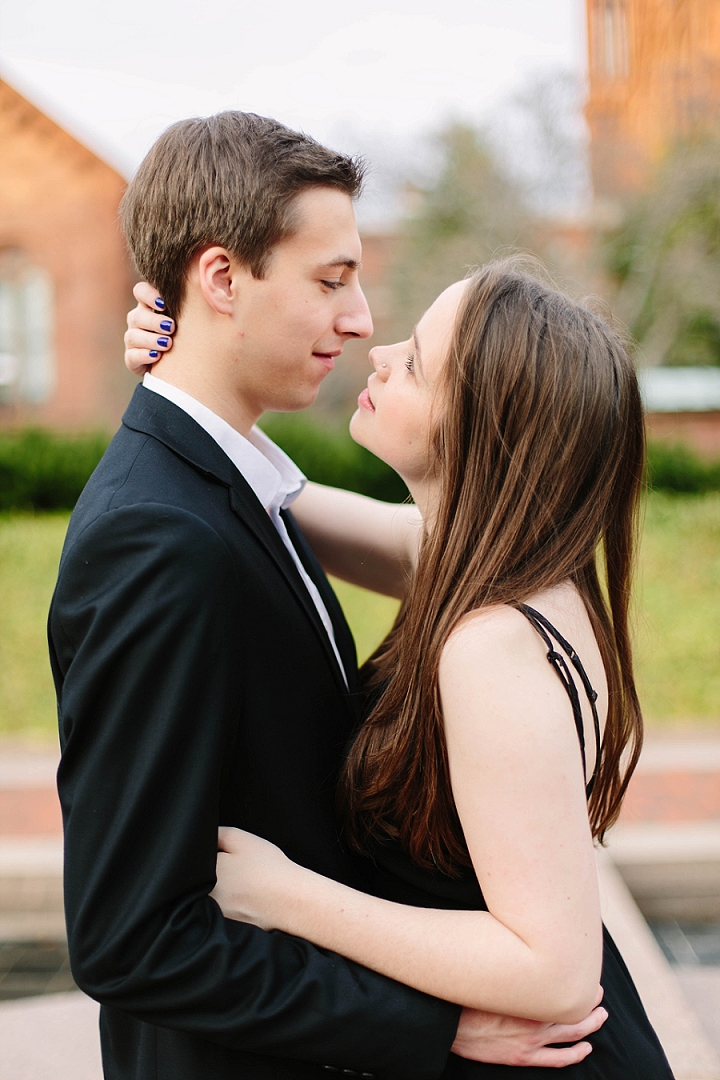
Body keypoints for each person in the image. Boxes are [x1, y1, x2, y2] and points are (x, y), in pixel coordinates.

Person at [50, 112, 603, 1080]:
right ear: (223, 279)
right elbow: (133, 938)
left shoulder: (474, 581)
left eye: (415, 356)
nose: (362, 328)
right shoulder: (162, 537)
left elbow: (281, 500)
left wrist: (184, 369)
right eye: (332, 279)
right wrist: (427, 1026)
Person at [128, 262, 674, 1077]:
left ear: (485, 430)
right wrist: (186, 373)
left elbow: (555, 972)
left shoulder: (491, 643)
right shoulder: (492, 565)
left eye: (415, 362)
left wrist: (286, 897)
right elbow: (274, 500)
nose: (380, 352)